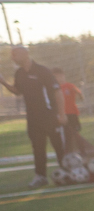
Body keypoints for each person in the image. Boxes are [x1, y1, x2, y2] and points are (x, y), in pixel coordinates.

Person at [4, 46, 61, 188]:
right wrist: (3, 82)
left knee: (59, 145)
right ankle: (41, 176)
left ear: (25, 54)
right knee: (38, 147)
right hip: (33, 118)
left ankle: (67, 170)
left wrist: (62, 114)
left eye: (15, 55)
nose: (13, 58)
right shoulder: (19, 73)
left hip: (49, 115)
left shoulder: (43, 70)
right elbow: (17, 91)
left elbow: (57, 92)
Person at [53, 67, 84, 159]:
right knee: (66, 135)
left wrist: (80, 95)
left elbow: (80, 95)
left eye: (60, 76)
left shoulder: (70, 86)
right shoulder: (55, 88)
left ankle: (81, 151)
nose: (59, 78)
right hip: (62, 115)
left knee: (75, 133)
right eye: (56, 77)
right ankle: (68, 153)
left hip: (72, 114)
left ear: (64, 76)